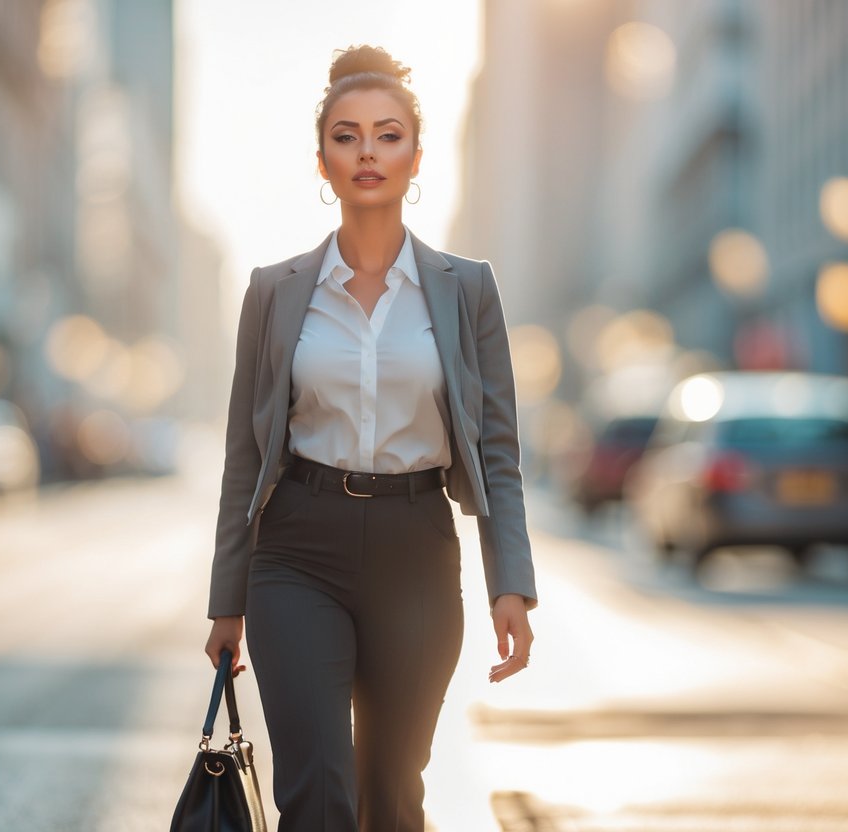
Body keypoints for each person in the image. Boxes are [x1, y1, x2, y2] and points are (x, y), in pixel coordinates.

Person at [204, 45, 537, 832]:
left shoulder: (466, 289)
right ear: (321, 159)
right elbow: (244, 455)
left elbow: (496, 449)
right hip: (296, 552)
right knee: (318, 794)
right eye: (346, 136)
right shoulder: (273, 292)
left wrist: (509, 582)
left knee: (391, 796)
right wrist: (226, 602)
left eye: (387, 135)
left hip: (416, 548)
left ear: (415, 156)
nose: (366, 153)